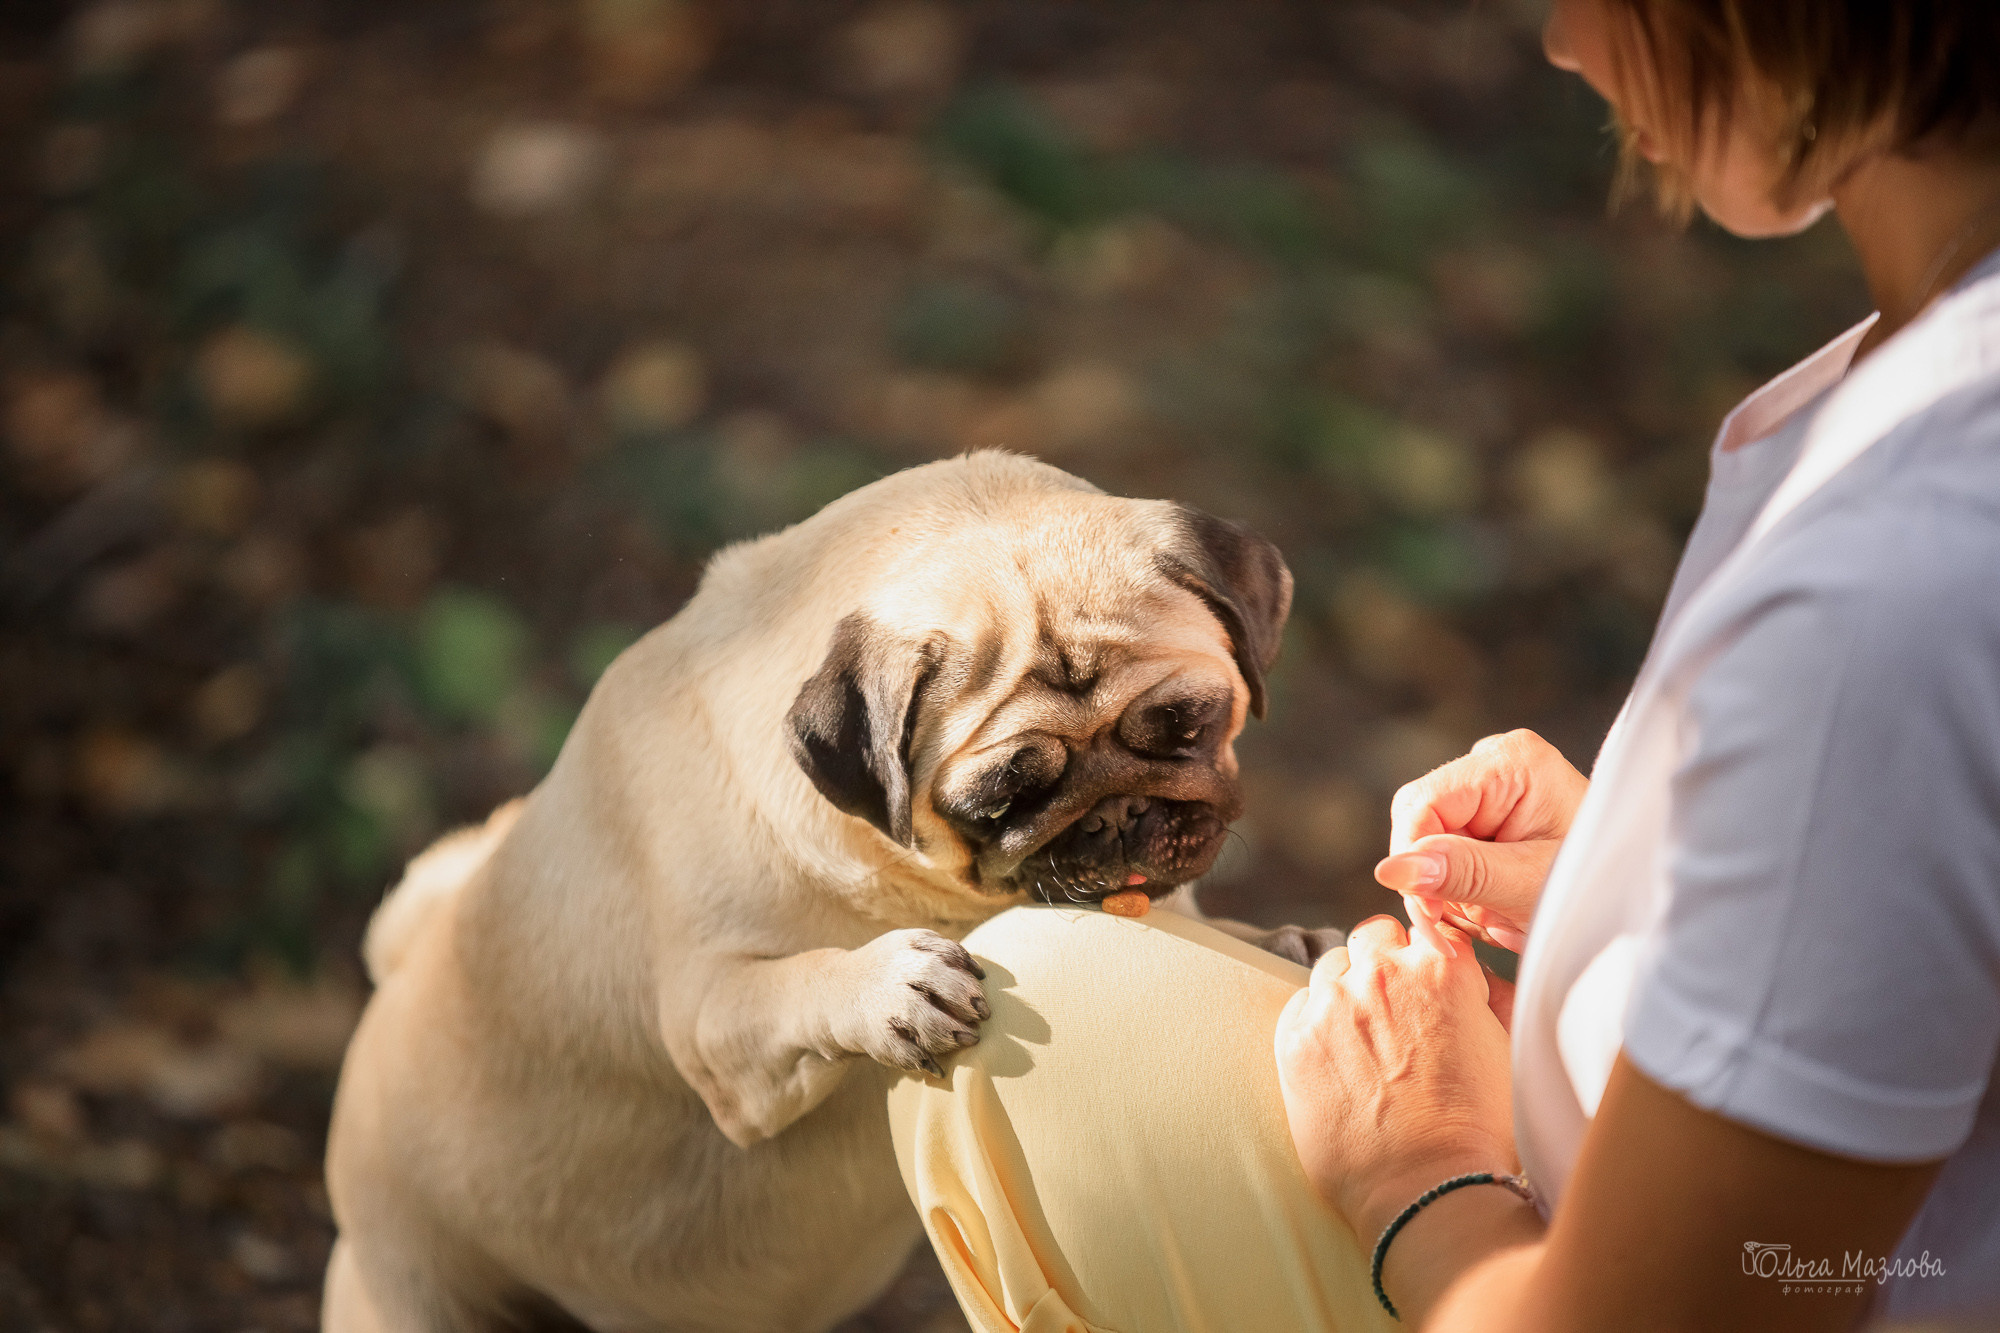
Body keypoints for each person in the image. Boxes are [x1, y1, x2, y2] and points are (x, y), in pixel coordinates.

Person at [888, 0, 2000, 1329]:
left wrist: (1421, 1171)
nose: (1563, 47)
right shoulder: (1928, 424)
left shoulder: (1898, 580)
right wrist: (1667, 887)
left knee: (1019, 1026)